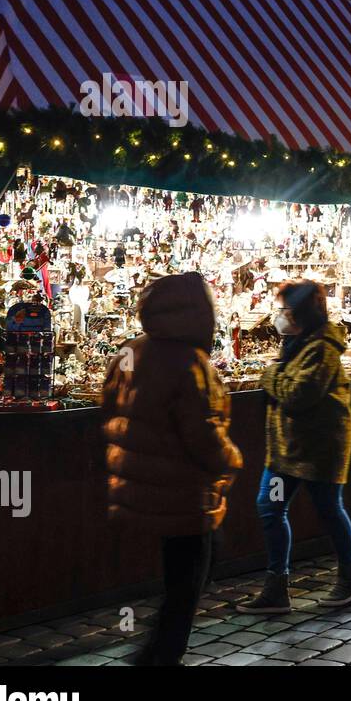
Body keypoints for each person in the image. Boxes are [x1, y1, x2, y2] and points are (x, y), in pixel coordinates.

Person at [102, 272, 243, 665]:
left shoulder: (131, 351)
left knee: (182, 575)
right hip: (184, 492)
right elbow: (204, 437)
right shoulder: (192, 364)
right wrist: (231, 461)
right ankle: (159, 659)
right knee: (187, 583)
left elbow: (109, 408)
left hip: (138, 489)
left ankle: (154, 653)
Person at [241, 280, 351, 612]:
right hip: (289, 451)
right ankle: (277, 586)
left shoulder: (321, 348)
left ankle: (350, 578)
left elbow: (298, 393)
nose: (279, 316)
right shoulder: (298, 344)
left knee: (328, 509)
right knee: (271, 506)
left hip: (318, 449)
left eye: (285, 310)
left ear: (301, 313)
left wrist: (270, 375)